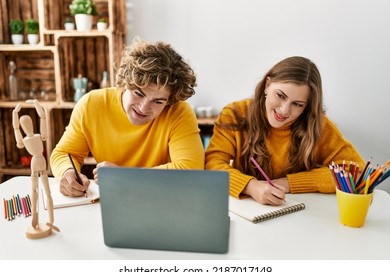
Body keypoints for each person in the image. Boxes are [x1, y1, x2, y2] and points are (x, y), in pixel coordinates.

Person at [50, 38, 204, 197]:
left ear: (170, 100)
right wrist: (67, 172)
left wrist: (127, 176)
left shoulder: (179, 112)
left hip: (160, 197)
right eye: (138, 93)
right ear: (125, 83)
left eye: (158, 101)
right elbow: (64, 153)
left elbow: (191, 169)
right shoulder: (91, 104)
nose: (143, 108)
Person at [205, 56, 364, 206]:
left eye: (298, 104)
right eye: (280, 95)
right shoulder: (234, 113)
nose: (284, 110)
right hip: (246, 212)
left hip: (300, 215)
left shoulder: (318, 125)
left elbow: (359, 172)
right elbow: (212, 165)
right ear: (268, 85)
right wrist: (250, 186)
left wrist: (290, 183)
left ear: (307, 107)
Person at [13, 100, 59, 238]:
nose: (27, 126)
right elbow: (16, 130)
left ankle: (50, 220)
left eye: (28, 123)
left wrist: (36, 104)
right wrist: (15, 113)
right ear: (22, 126)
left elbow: (43, 118)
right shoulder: (23, 140)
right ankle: (35, 218)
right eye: (24, 124)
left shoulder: (39, 135)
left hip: (41, 161)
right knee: (34, 190)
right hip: (35, 162)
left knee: (47, 191)